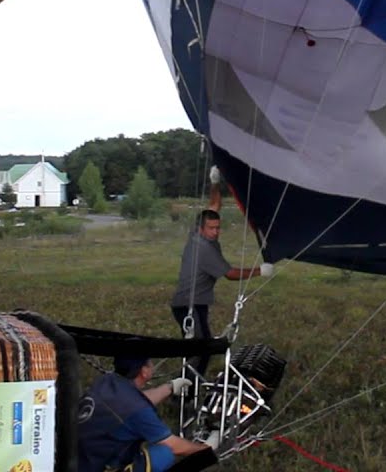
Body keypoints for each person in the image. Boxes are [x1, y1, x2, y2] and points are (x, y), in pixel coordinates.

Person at [170, 166, 273, 376]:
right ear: (201, 229)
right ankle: (185, 393)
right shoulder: (203, 248)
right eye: (212, 229)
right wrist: (260, 271)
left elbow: (214, 205)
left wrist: (215, 182)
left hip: (197, 303)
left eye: (218, 228)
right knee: (200, 350)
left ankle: (189, 385)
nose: (216, 232)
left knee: (202, 347)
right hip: (187, 305)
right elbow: (231, 274)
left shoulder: (198, 231)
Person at [77, 355, 215, 472]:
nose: (152, 365)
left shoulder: (108, 381)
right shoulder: (138, 412)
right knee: (163, 454)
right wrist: (207, 448)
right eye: (150, 363)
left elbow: (135, 401)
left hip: (74, 457)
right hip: (96, 466)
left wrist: (169, 387)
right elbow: (174, 446)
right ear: (144, 371)